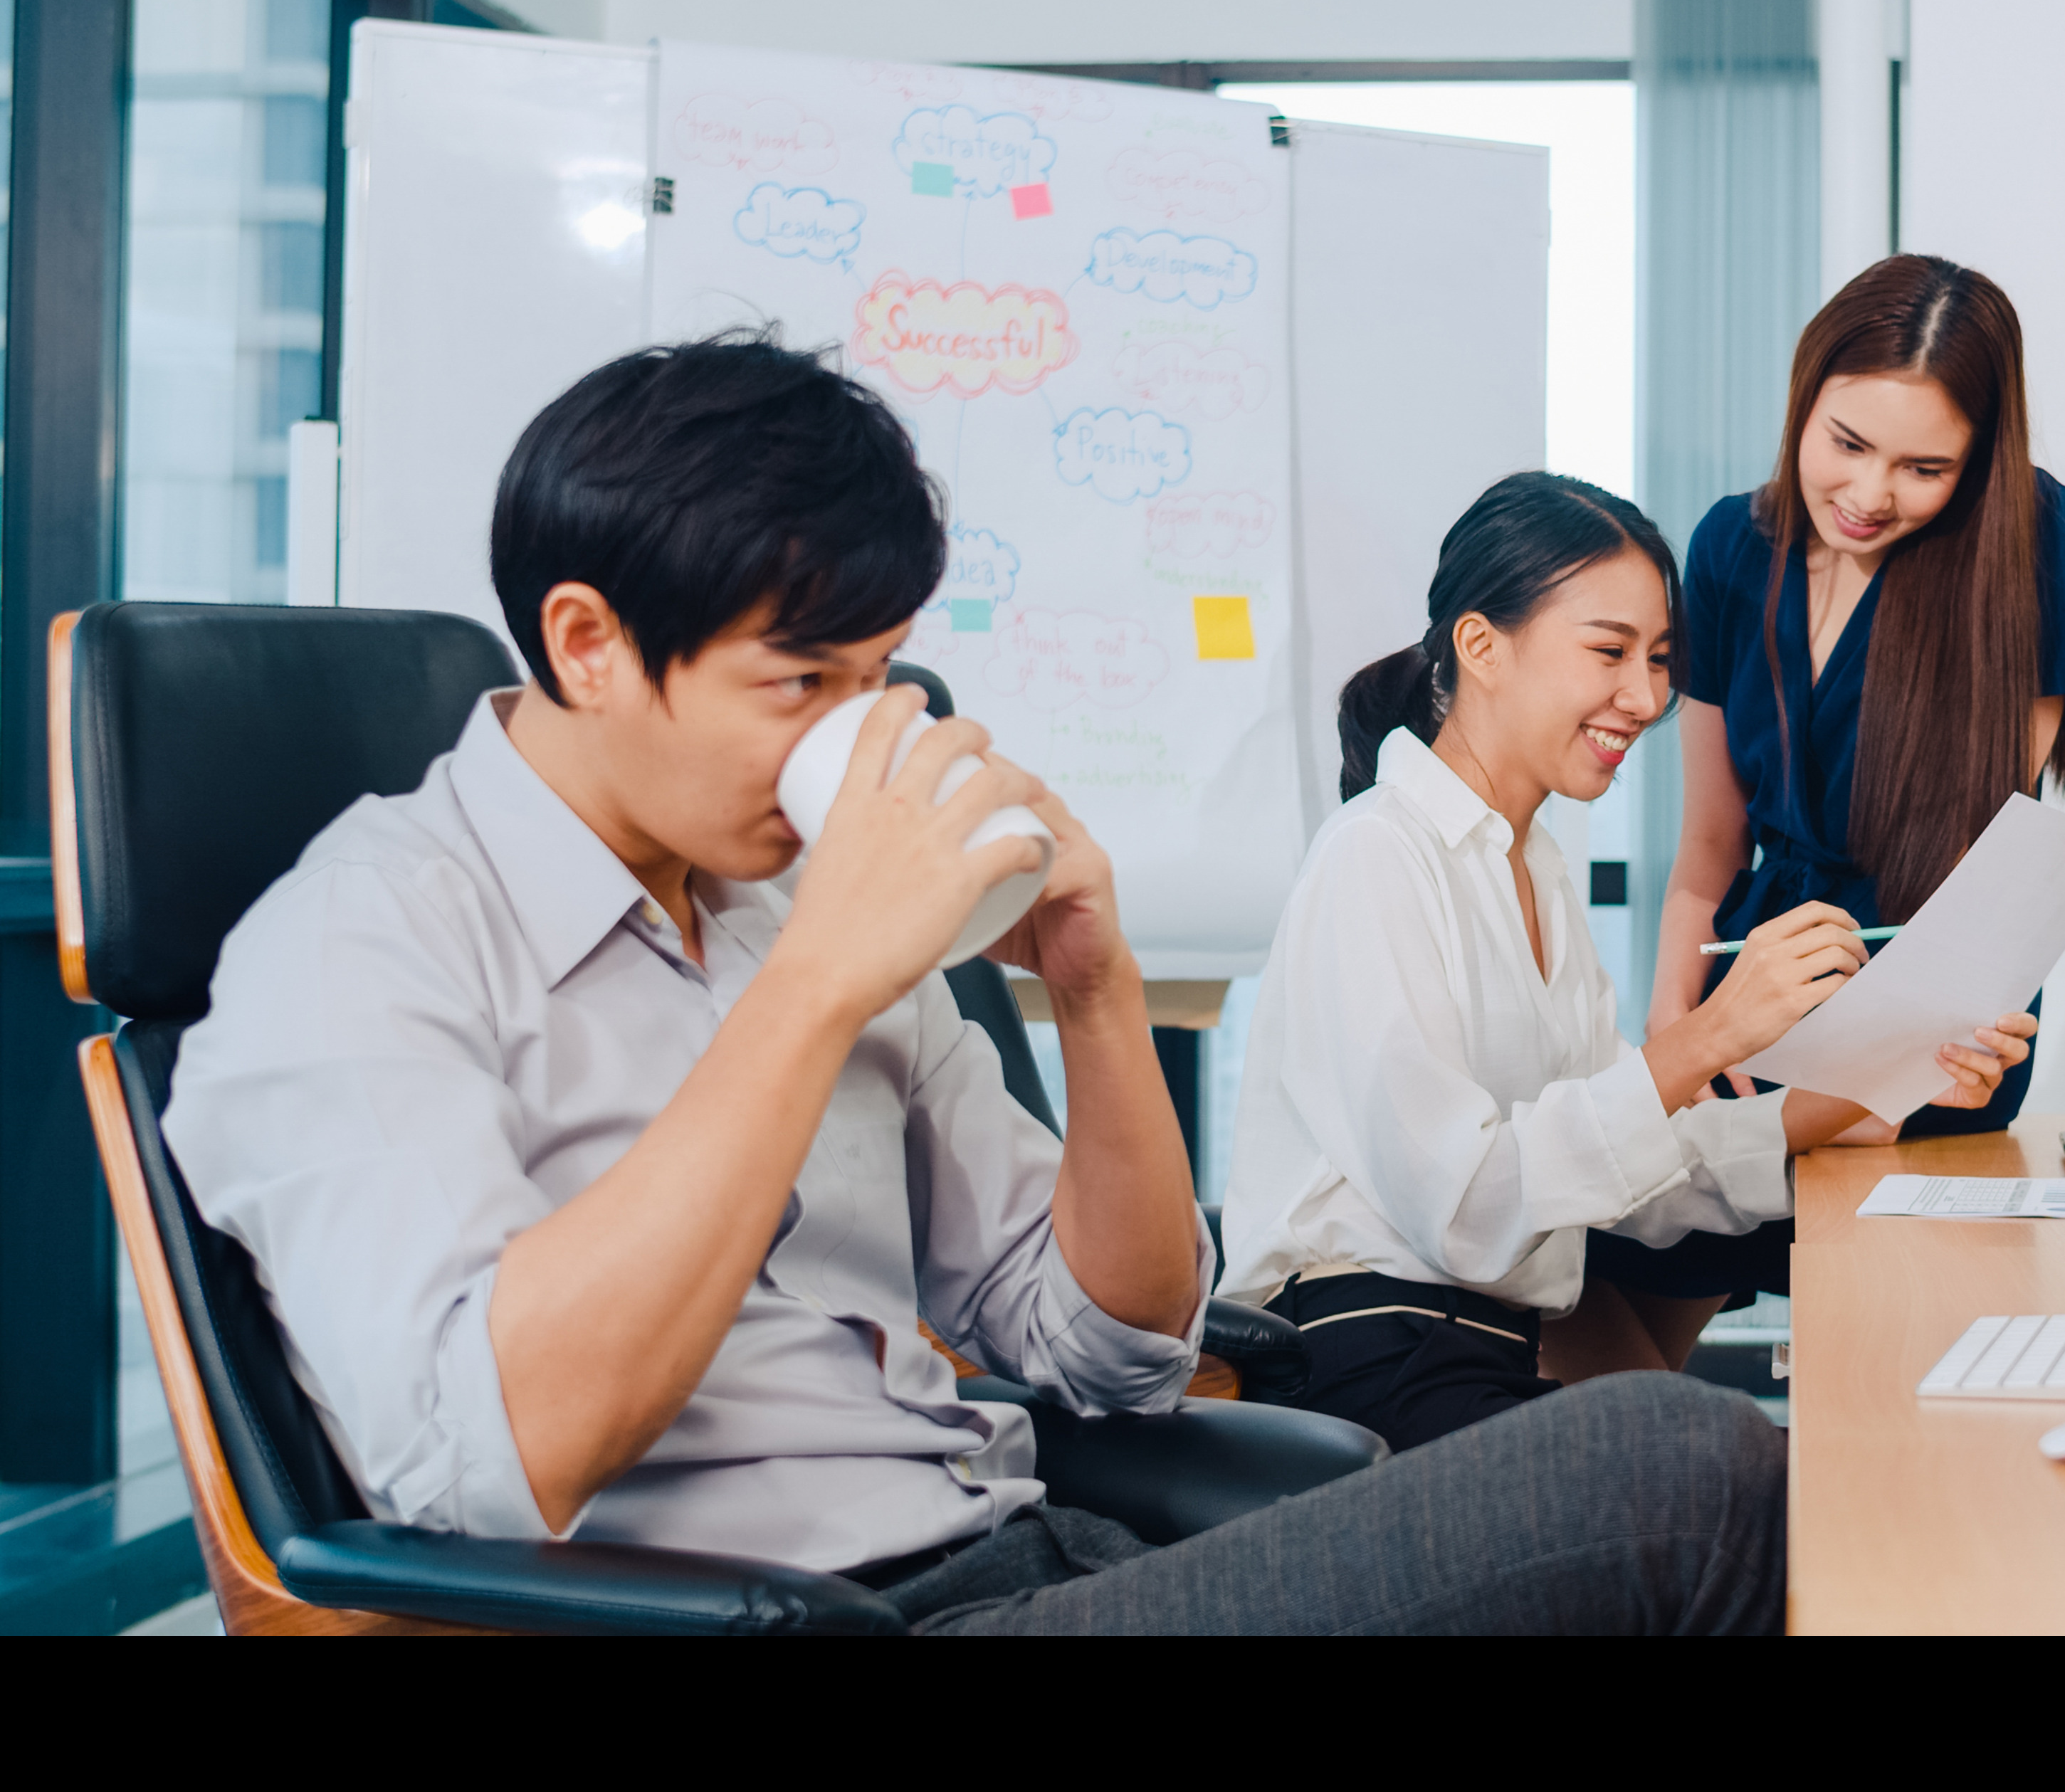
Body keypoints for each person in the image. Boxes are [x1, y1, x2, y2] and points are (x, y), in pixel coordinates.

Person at [163, 336, 1787, 1634]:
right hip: (804, 1610)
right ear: (590, 645)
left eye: (875, 678)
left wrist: (1095, 990)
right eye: (800, 684)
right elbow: (487, 1460)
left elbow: (1114, 1346)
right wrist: (814, 983)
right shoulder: (357, 947)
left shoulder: (778, 897)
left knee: (1715, 1479)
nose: (852, 735)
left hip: (1027, 1548)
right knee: (1678, 1470)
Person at [1214, 472, 2034, 1453]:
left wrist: (1894, 1073)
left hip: (1479, 1352)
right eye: (1609, 652)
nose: (1645, 698)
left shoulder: (1535, 871)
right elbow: (1468, 1208)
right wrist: (1713, 1033)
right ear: (1481, 645)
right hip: (1368, 1368)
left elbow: (1649, 1167)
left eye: (1659, 660)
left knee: (1806, 1469)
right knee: (1754, 1472)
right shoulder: (1377, 854)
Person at [1560, 255, 2065, 1379]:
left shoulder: (2031, 538)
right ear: (1804, 401)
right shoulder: (1728, 547)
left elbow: (1994, 871)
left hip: (1934, 1014)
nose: (1870, 492)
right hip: (1755, 989)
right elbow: (1710, 847)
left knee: (1885, 1358)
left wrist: (1919, 1048)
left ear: (1979, 461)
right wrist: (1676, 1032)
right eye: (1846, 442)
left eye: (1924, 467)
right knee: (1584, 1279)